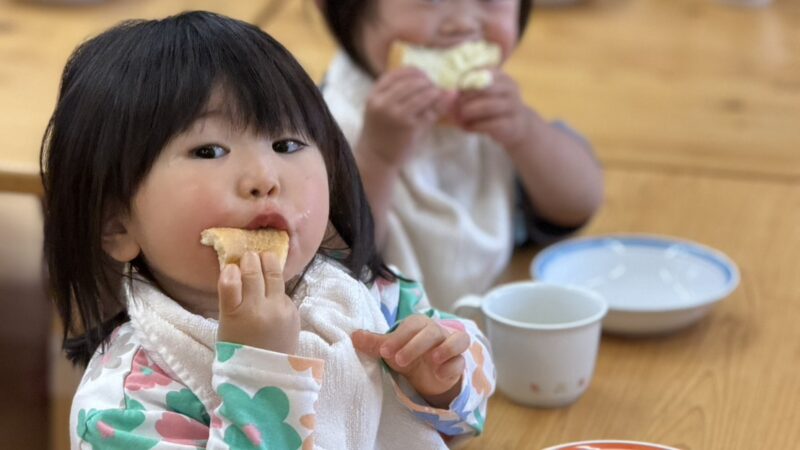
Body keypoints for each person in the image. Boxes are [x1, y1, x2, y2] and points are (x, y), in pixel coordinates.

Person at [40, 11, 495, 449]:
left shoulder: (364, 293)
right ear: (117, 225)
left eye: (287, 144)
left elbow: (470, 409)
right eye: (209, 151)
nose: (264, 177)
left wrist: (444, 381)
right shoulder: (123, 408)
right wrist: (260, 371)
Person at [317, 0, 604, 310]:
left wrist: (526, 132)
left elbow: (579, 204)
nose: (463, 23)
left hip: (496, 323)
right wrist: (378, 157)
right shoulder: (320, 125)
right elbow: (337, 257)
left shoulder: (496, 110)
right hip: (383, 331)